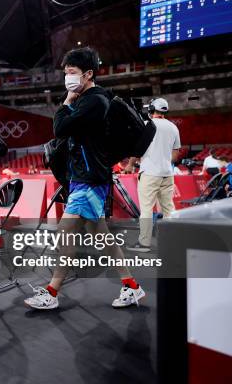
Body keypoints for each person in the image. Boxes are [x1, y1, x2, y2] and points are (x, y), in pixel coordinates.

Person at [24, 47, 144, 311]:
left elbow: (59, 129)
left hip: (90, 179)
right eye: (66, 73)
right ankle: (132, 286)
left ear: (88, 74)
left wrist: (66, 102)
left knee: (65, 235)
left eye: (72, 73)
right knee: (100, 236)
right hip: (85, 178)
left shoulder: (94, 101)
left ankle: (52, 291)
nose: (67, 78)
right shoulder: (87, 100)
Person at [132, 97, 180, 251]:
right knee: (168, 209)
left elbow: (137, 149)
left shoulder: (147, 125)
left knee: (146, 209)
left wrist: (130, 164)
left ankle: (144, 243)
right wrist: (163, 160)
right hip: (167, 173)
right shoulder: (173, 127)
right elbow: (175, 155)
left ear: (151, 110)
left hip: (150, 174)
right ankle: (172, 240)